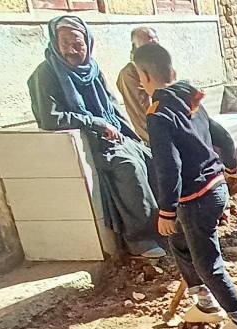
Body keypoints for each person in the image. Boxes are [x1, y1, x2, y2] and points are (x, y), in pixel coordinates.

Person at [132, 43, 237, 329]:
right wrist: (231, 171)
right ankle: (205, 303)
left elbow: (169, 166)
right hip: (215, 187)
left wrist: (167, 210)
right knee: (179, 242)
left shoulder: (159, 115)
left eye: (139, 76)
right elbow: (224, 139)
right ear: (172, 70)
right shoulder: (191, 100)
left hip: (194, 199)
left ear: (145, 75)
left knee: (207, 262)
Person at [28, 16, 166, 259]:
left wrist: (133, 137)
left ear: (88, 43)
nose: (71, 50)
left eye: (77, 43)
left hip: (115, 136)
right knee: (129, 167)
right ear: (55, 43)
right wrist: (94, 123)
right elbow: (51, 118)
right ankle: (139, 238)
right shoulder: (46, 74)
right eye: (65, 43)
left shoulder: (93, 69)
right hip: (90, 141)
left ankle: (164, 228)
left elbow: (112, 107)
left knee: (154, 158)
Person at [115, 26, 159, 143]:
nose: (152, 42)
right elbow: (143, 113)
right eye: (146, 43)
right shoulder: (131, 72)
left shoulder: (161, 67)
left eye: (154, 40)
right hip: (156, 136)